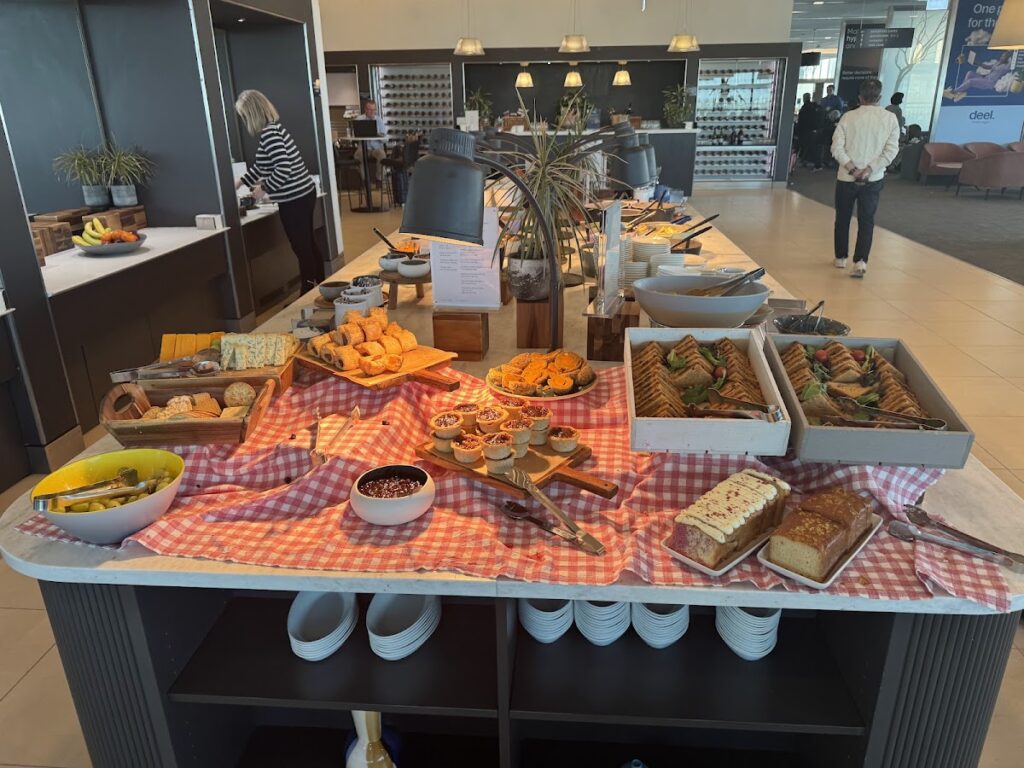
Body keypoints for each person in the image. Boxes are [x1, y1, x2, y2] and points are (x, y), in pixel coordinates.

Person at [234, 89, 323, 291]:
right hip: (304, 194)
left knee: (301, 247)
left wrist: (263, 189)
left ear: (251, 113)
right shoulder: (275, 130)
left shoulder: (269, 135)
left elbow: (283, 168)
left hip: (295, 199)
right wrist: (241, 181)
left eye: (243, 115)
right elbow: (263, 165)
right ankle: (321, 286)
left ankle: (308, 292)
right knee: (308, 243)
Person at [830, 78, 900, 278]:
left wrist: (853, 169)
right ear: (879, 97)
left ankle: (840, 257)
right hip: (873, 178)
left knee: (842, 218)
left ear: (859, 97)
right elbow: (891, 150)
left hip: (846, 177)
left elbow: (836, 148)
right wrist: (869, 169)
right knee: (867, 220)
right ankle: (860, 261)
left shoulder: (848, 117)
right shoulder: (890, 119)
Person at [944, 52, 1013, 101]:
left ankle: (954, 92)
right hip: (985, 77)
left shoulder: (1005, 67)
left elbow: (1012, 62)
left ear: (1007, 58)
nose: (1001, 57)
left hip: (989, 83)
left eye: (1004, 56)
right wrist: (976, 62)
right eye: (1002, 55)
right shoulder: (997, 63)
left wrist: (1013, 52)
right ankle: (961, 91)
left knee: (970, 81)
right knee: (970, 73)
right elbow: (987, 67)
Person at [356, 99, 386, 184]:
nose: (372, 112)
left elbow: (385, 139)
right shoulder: (359, 119)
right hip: (364, 147)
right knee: (359, 155)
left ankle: (379, 179)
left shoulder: (379, 120)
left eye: (374, 110)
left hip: (376, 148)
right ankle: (365, 181)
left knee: (382, 155)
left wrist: (378, 134)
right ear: (365, 109)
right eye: (370, 109)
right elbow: (355, 135)